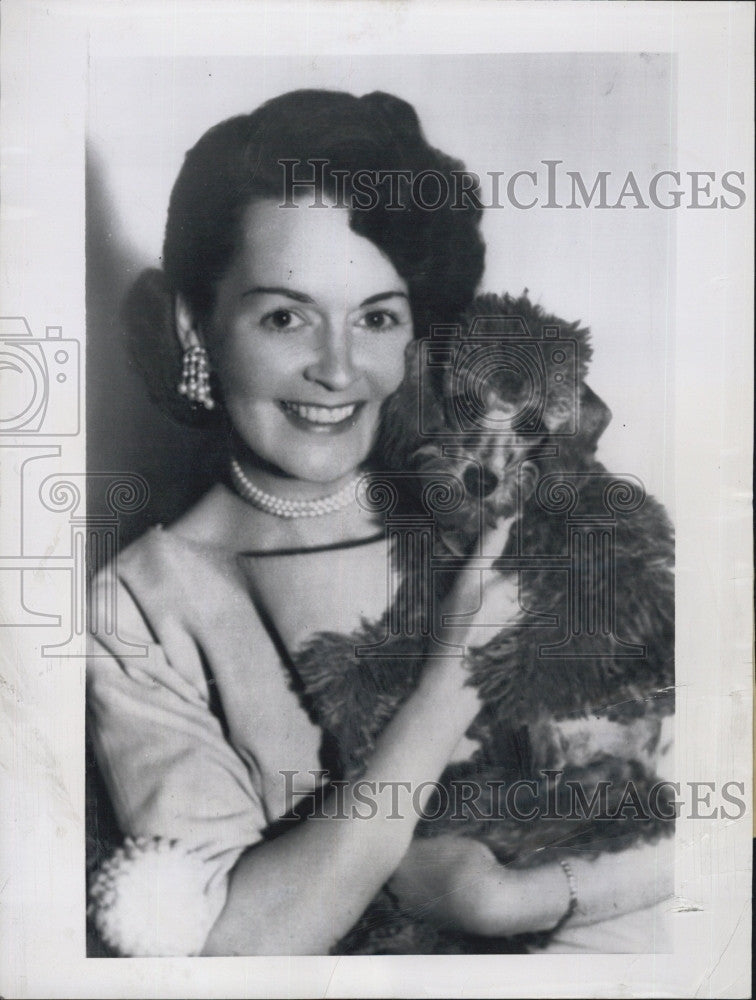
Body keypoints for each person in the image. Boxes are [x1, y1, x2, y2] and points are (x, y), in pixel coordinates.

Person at [86, 89, 672, 957]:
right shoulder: (138, 605)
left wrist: (518, 900)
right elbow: (230, 951)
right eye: (285, 315)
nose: (337, 368)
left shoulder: (507, 495)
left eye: (376, 317)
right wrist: (451, 681)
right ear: (196, 325)